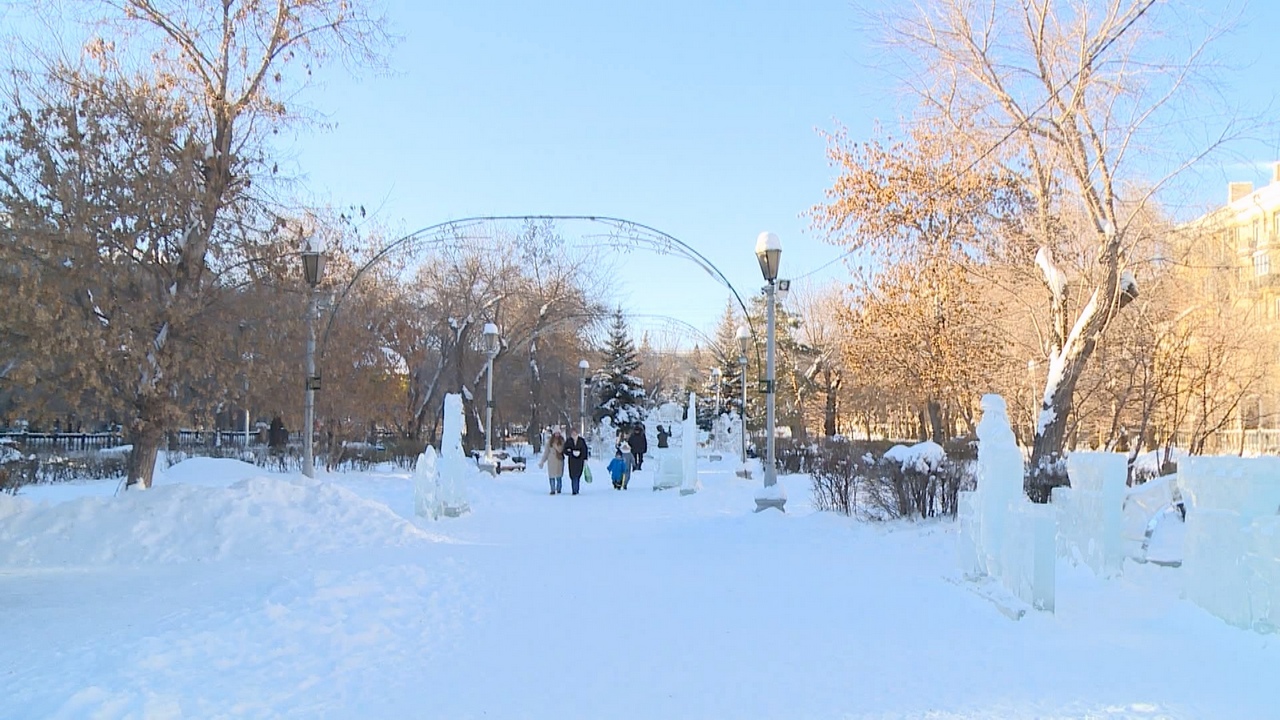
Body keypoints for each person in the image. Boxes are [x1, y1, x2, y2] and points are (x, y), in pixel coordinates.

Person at [562, 426, 589, 495]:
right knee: (573, 475)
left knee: (578, 475)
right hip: (572, 461)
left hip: (580, 460)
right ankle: (574, 490)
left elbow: (585, 450)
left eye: (575, 433)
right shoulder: (569, 441)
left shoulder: (581, 440)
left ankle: (576, 489)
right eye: (573, 433)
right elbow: (565, 450)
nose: (574, 434)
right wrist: (571, 452)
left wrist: (584, 458)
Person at [539, 430, 566, 495]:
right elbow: (546, 452)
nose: (557, 434)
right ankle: (552, 489)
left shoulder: (562, 441)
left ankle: (559, 489)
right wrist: (542, 461)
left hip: (559, 460)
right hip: (551, 460)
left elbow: (561, 450)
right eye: (556, 433)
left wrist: (556, 446)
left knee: (559, 476)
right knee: (551, 476)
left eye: (558, 433)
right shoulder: (549, 442)